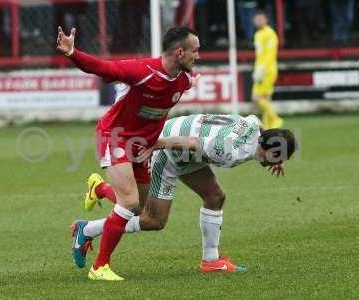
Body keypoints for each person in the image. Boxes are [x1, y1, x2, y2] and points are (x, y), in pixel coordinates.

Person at [57, 26, 200, 281]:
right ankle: (100, 267)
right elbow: (103, 68)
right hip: (115, 135)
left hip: (142, 145)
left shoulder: (184, 80)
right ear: (180, 52)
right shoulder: (142, 71)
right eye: (195, 51)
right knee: (130, 202)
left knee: (138, 209)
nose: (198, 56)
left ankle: (96, 195)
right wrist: (72, 52)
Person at [72, 113, 297, 273]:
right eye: (279, 158)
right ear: (268, 150)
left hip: (188, 148)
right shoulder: (232, 150)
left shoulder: (256, 131)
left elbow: (256, 120)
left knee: (215, 196)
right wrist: (157, 144)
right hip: (171, 149)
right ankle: (88, 228)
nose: (278, 163)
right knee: (152, 218)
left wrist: (273, 157)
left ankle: (211, 261)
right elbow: (191, 142)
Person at [252, 10, 282, 129]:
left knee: (257, 97)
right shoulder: (257, 34)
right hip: (260, 69)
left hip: (268, 70)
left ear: (266, 20)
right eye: (257, 19)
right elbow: (260, 55)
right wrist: (257, 68)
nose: (259, 21)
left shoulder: (270, 34)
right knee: (265, 98)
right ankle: (267, 127)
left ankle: (275, 119)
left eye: (261, 19)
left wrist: (262, 69)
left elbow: (271, 53)